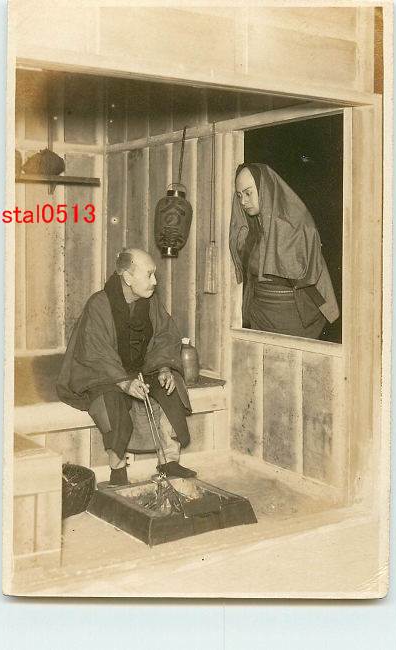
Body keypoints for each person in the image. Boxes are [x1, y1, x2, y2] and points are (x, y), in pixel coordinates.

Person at [57, 248, 196, 486]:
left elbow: (164, 335)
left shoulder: (150, 302)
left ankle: (169, 461)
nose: (155, 281)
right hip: (103, 373)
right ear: (128, 278)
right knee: (110, 400)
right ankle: (118, 471)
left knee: (170, 386)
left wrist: (164, 368)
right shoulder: (99, 304)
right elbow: (96, 351)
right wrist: (123, 382)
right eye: (149, 274)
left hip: (140, 369)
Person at [229, 163, 339, 339]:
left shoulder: (295, 225)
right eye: (239, 195)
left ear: (265, 189)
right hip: (259, 317)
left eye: (248, 193)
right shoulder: (251, 229)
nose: (243, 202)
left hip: (292, 320)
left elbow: (310, 279)